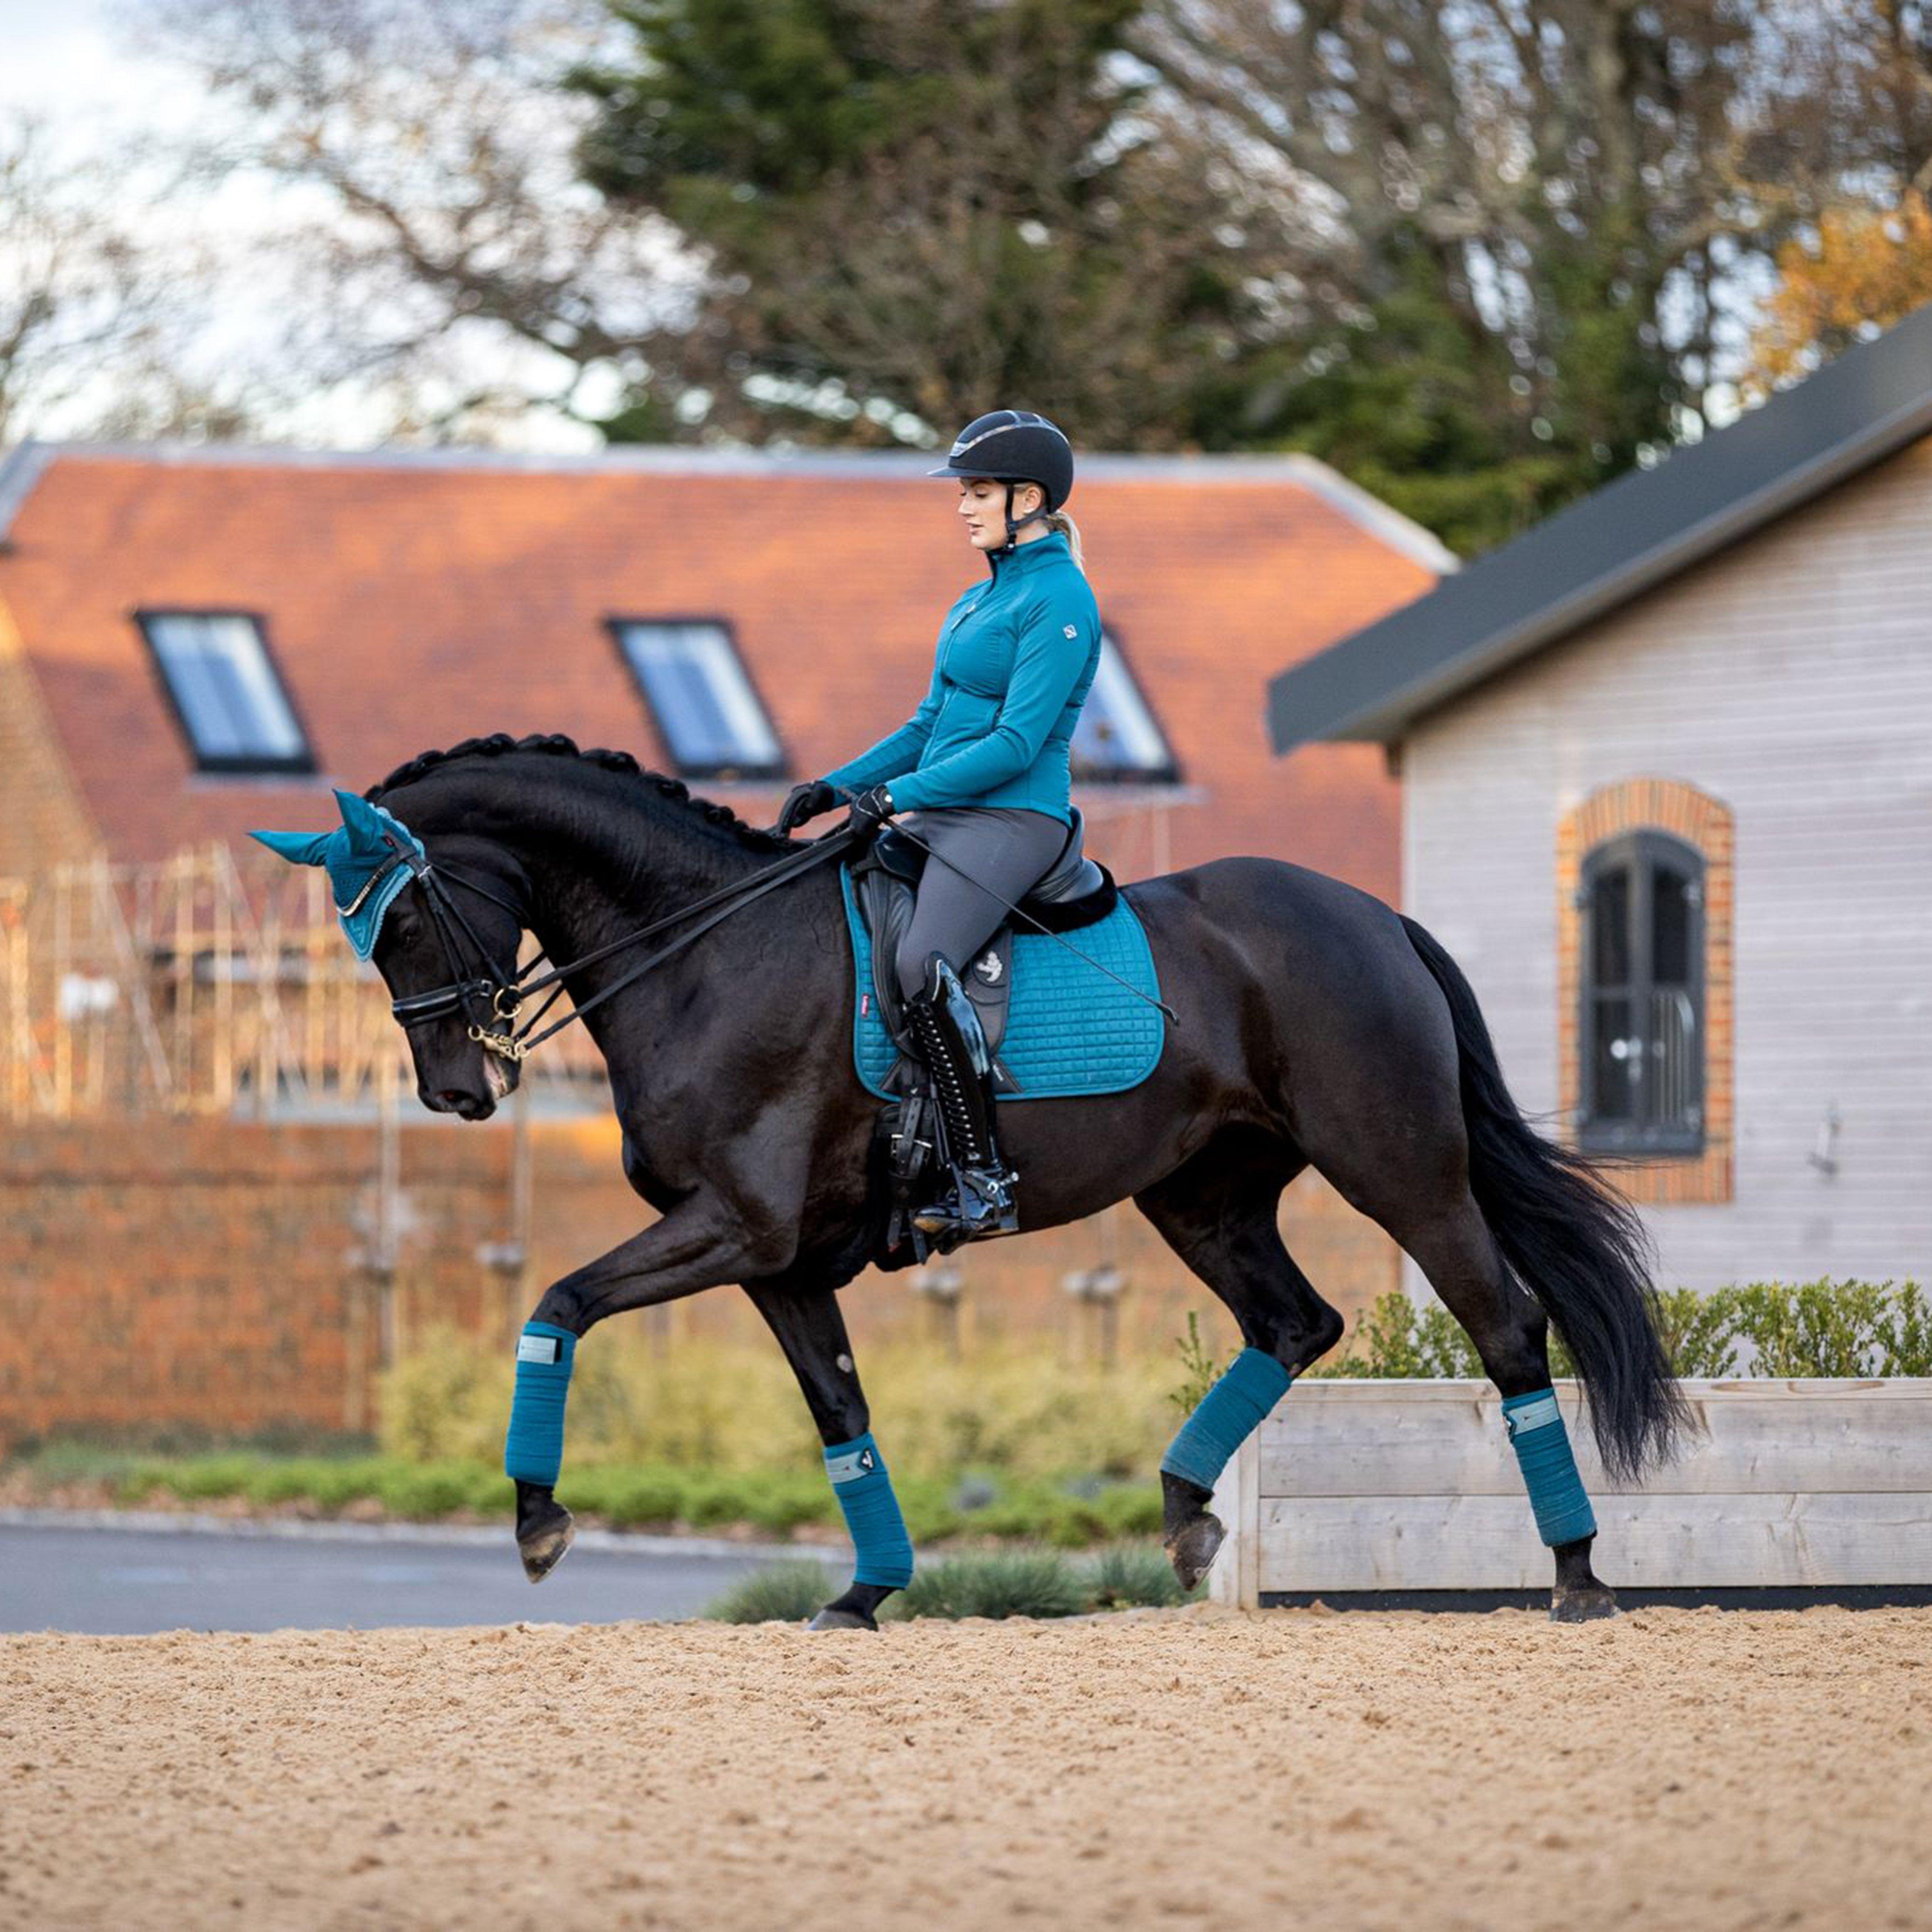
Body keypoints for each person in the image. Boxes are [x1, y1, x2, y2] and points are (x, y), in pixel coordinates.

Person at [777, 409, 1102, 1243]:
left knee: (924, 958)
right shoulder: (979, 596)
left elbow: (1015, 744)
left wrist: (897, 796)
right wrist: (838, 784)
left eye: (979, 491)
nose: (963, 506)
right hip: (946, 809)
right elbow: (930, 722)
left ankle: (984, 1177)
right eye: (964, 490)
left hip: (1013, 817)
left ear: (1029, 498)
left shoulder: (1060, 599)